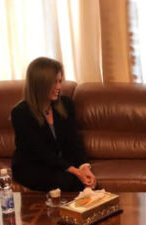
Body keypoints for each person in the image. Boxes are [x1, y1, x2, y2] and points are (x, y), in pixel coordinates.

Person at [11, 57, 96, 192]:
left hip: (61, 163)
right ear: (40, 84)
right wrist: (74, 170)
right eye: (54, 82)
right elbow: (38, 151)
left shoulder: (66, 105)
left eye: (59, 81)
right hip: (33, 165)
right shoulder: (20, 113)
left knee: (87, 183)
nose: (58, 87)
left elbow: (74, 140)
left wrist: (84, 167)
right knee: (68, 181)